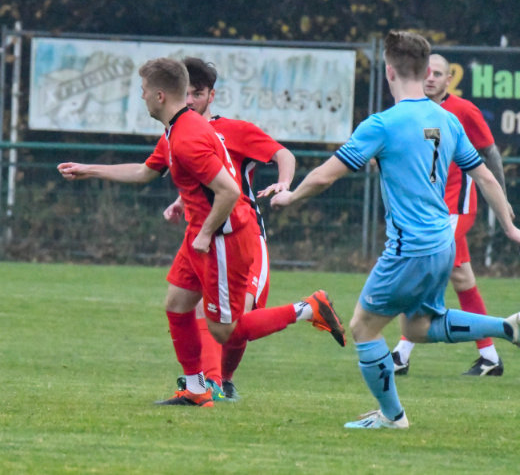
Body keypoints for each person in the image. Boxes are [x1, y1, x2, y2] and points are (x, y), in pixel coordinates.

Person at [58, 57, 346, 408]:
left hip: (225, 239)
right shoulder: (177, 129)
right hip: (202, 233)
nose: (142, 96)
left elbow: (229, 191)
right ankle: (196, 389)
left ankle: (309, 308)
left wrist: (206, 233)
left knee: (224, 330)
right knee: (177, 305)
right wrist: (89, 170)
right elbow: (145, 172)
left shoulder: (187, 137)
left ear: (161, 96)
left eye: (144, 90)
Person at [270, 30, 520, 429]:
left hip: (410, 248)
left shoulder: (382, 124)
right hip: (442, 242)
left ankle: (392, 416)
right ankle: (506, 327)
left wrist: (290, 196)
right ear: (424, 72)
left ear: (389, 72)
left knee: (363, 327)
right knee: (418, 327)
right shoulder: (447, 120)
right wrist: (510, 225)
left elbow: (325, 175)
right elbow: (486, 176)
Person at [163, 57, 308, 402]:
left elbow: (283, 155)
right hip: (208, 233)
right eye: (185, 94)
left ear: (212, 96)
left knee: (234, 318)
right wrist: (181, 201)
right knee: (196, 307)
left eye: (198, 94)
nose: (190, 101)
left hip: (245, 235)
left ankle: (222, 380)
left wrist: (284, 183)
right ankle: (210, 384)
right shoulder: (177, 132)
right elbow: (199, 179)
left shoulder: (233, 130)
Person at [391, 53, 515, 377]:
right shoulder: (413, 110)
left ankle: (401, 355)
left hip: (456, 209)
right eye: (426, 73)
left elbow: (490, 153)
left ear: (449, 79)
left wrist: (501, 199)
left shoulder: (463, 110)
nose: (430, 78)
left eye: (438, 74)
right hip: (428, 210)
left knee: (421, 269)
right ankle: (490, 357)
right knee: (461, 279)